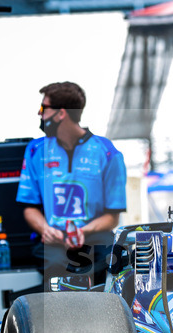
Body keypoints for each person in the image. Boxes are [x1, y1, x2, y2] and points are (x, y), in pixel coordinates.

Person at [16, 81, 127, 286]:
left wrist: (83, 232)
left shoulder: (108, 152)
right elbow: (29, 207)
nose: (40, 114)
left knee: (116, 261)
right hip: (53, 243)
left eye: (43, 108)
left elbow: (113, 217)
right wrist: (46, 229)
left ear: (61, 113)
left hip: (96, 239)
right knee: (57, 268)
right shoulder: (35, 150)